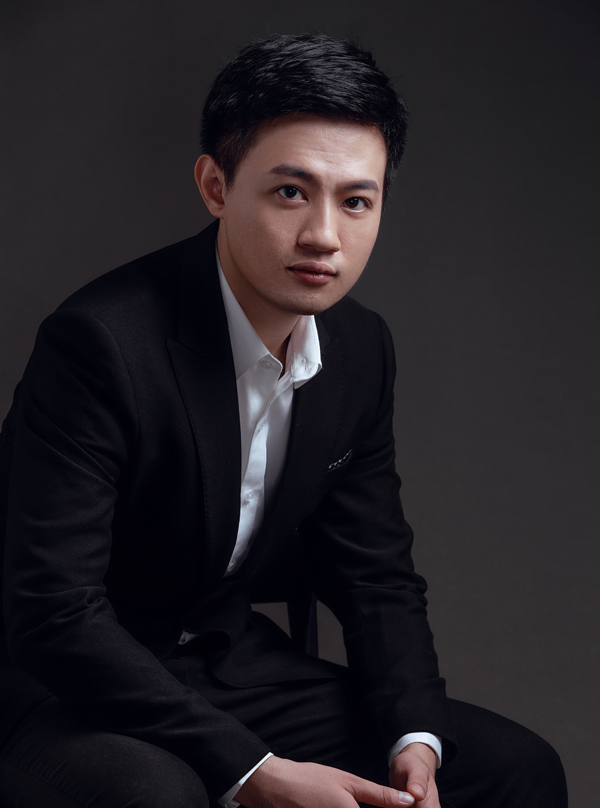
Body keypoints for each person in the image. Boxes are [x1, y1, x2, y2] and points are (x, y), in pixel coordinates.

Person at [0, 33, 567, 808]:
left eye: (356, 201)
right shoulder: (100, 343)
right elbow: (53, 611)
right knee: (156, 794)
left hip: (220, 661)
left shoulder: (360, 348)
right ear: (215, 186)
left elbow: (374, 571)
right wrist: (253, 769)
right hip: (56, 680)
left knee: (515, 768)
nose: (324, 236)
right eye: (291, 192)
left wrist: (414, 739)